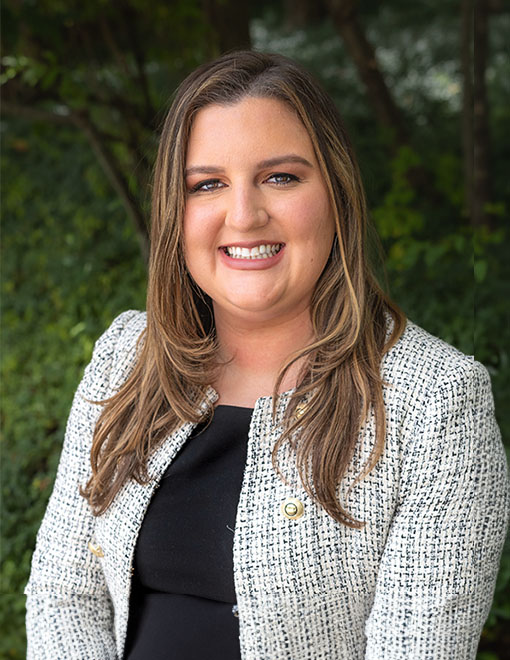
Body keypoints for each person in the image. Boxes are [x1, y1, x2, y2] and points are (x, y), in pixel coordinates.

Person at [25, 50, 508, 660]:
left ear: (336, 193)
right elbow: (62, 596)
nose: (245, 215)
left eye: (281, 177)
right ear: (175, 212)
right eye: (208, 184)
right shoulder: (127, 355)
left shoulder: (436, 402)